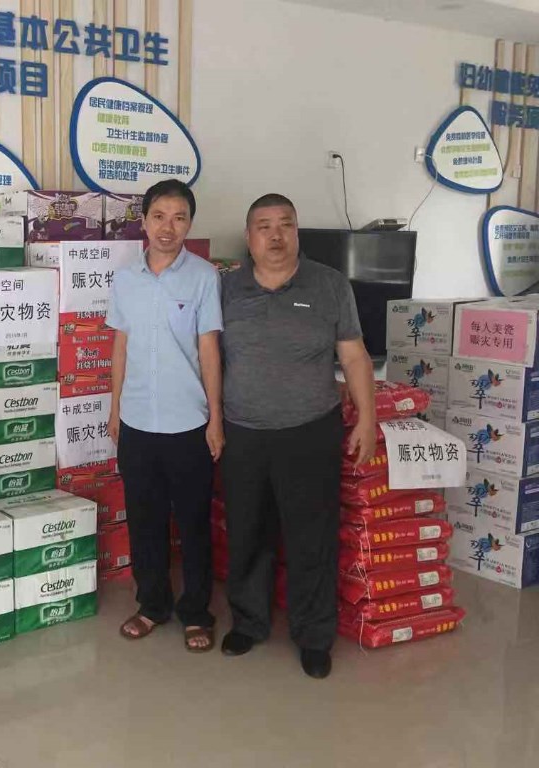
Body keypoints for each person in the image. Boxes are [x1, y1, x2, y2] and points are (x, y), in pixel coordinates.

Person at [219, 193, 376, 679]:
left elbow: (354, 356)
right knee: (248, 532)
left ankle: (313, 636)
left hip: (310, 431)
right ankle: (249, 622)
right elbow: (207, 356)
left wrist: (367, 418)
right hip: (242, 432)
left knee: (312, 538)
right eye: (264, 226)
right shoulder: (226, 289)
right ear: (249, 237)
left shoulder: (329, 285)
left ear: (297, 231)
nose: (275, 235)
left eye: (285, 224)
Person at [106, 179, 223, 653]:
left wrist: (215, 419)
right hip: (137, 421)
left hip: (188, 423)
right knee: (145, 521)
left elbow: (209, 350)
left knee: (193, 523)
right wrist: (115, 408)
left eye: (178, 218)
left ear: (189, 224)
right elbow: (121, 346)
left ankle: (196, 612)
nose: (167, 227)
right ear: (144, 221)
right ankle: (152, 605)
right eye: (159, 216)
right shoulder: (125, 278)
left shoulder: (204, 277)